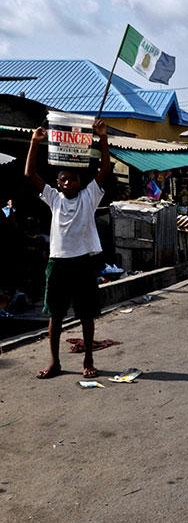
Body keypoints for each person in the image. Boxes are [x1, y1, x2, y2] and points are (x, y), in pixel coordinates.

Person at [25, 120, 112, 379]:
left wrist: (103, 138)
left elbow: (104, 168)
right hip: (58, 263)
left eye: (71, 179)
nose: (66, 183)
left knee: (86, 315)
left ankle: (88, 359)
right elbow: (30, 174)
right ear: (58, 182)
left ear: (78, 182)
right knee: (55, 315)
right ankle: (55, 363)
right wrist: (34, 142)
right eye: (63, 179)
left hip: (83, 263)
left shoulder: (89, 196)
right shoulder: (53, 198)